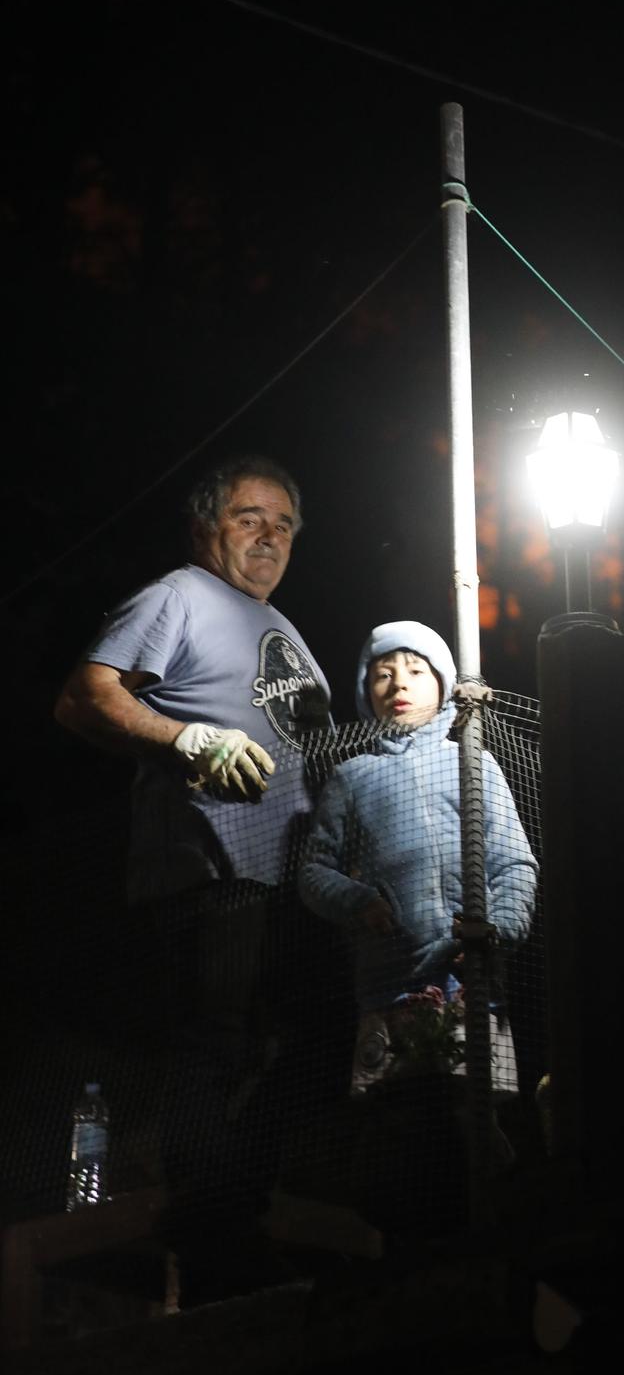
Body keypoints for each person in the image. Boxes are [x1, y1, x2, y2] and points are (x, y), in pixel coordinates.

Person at [54, 455, 341, 1294]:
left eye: (283, 524)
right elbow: (83, 697)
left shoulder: (284, 630)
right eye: (249, 517)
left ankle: (227, 1207)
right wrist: (186, 741)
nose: (269, 536)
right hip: (210, 876)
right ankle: (211, 1231)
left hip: (296, 885)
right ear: (204, 527)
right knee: (215, 1049)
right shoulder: (178, 595)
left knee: (316, 1047)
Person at [298, 620, 538, 1099]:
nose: (399, 683)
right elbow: (313, 870)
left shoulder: (473, 761)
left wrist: (499, 928)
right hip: (390, 984)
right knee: (403, 1123)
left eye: (415, 670)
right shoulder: (352, 776)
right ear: (366, 691)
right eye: (382, 674)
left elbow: (515, 864)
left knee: (478, 1118)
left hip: (472, 982)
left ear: (444, 685)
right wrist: (358, 900)